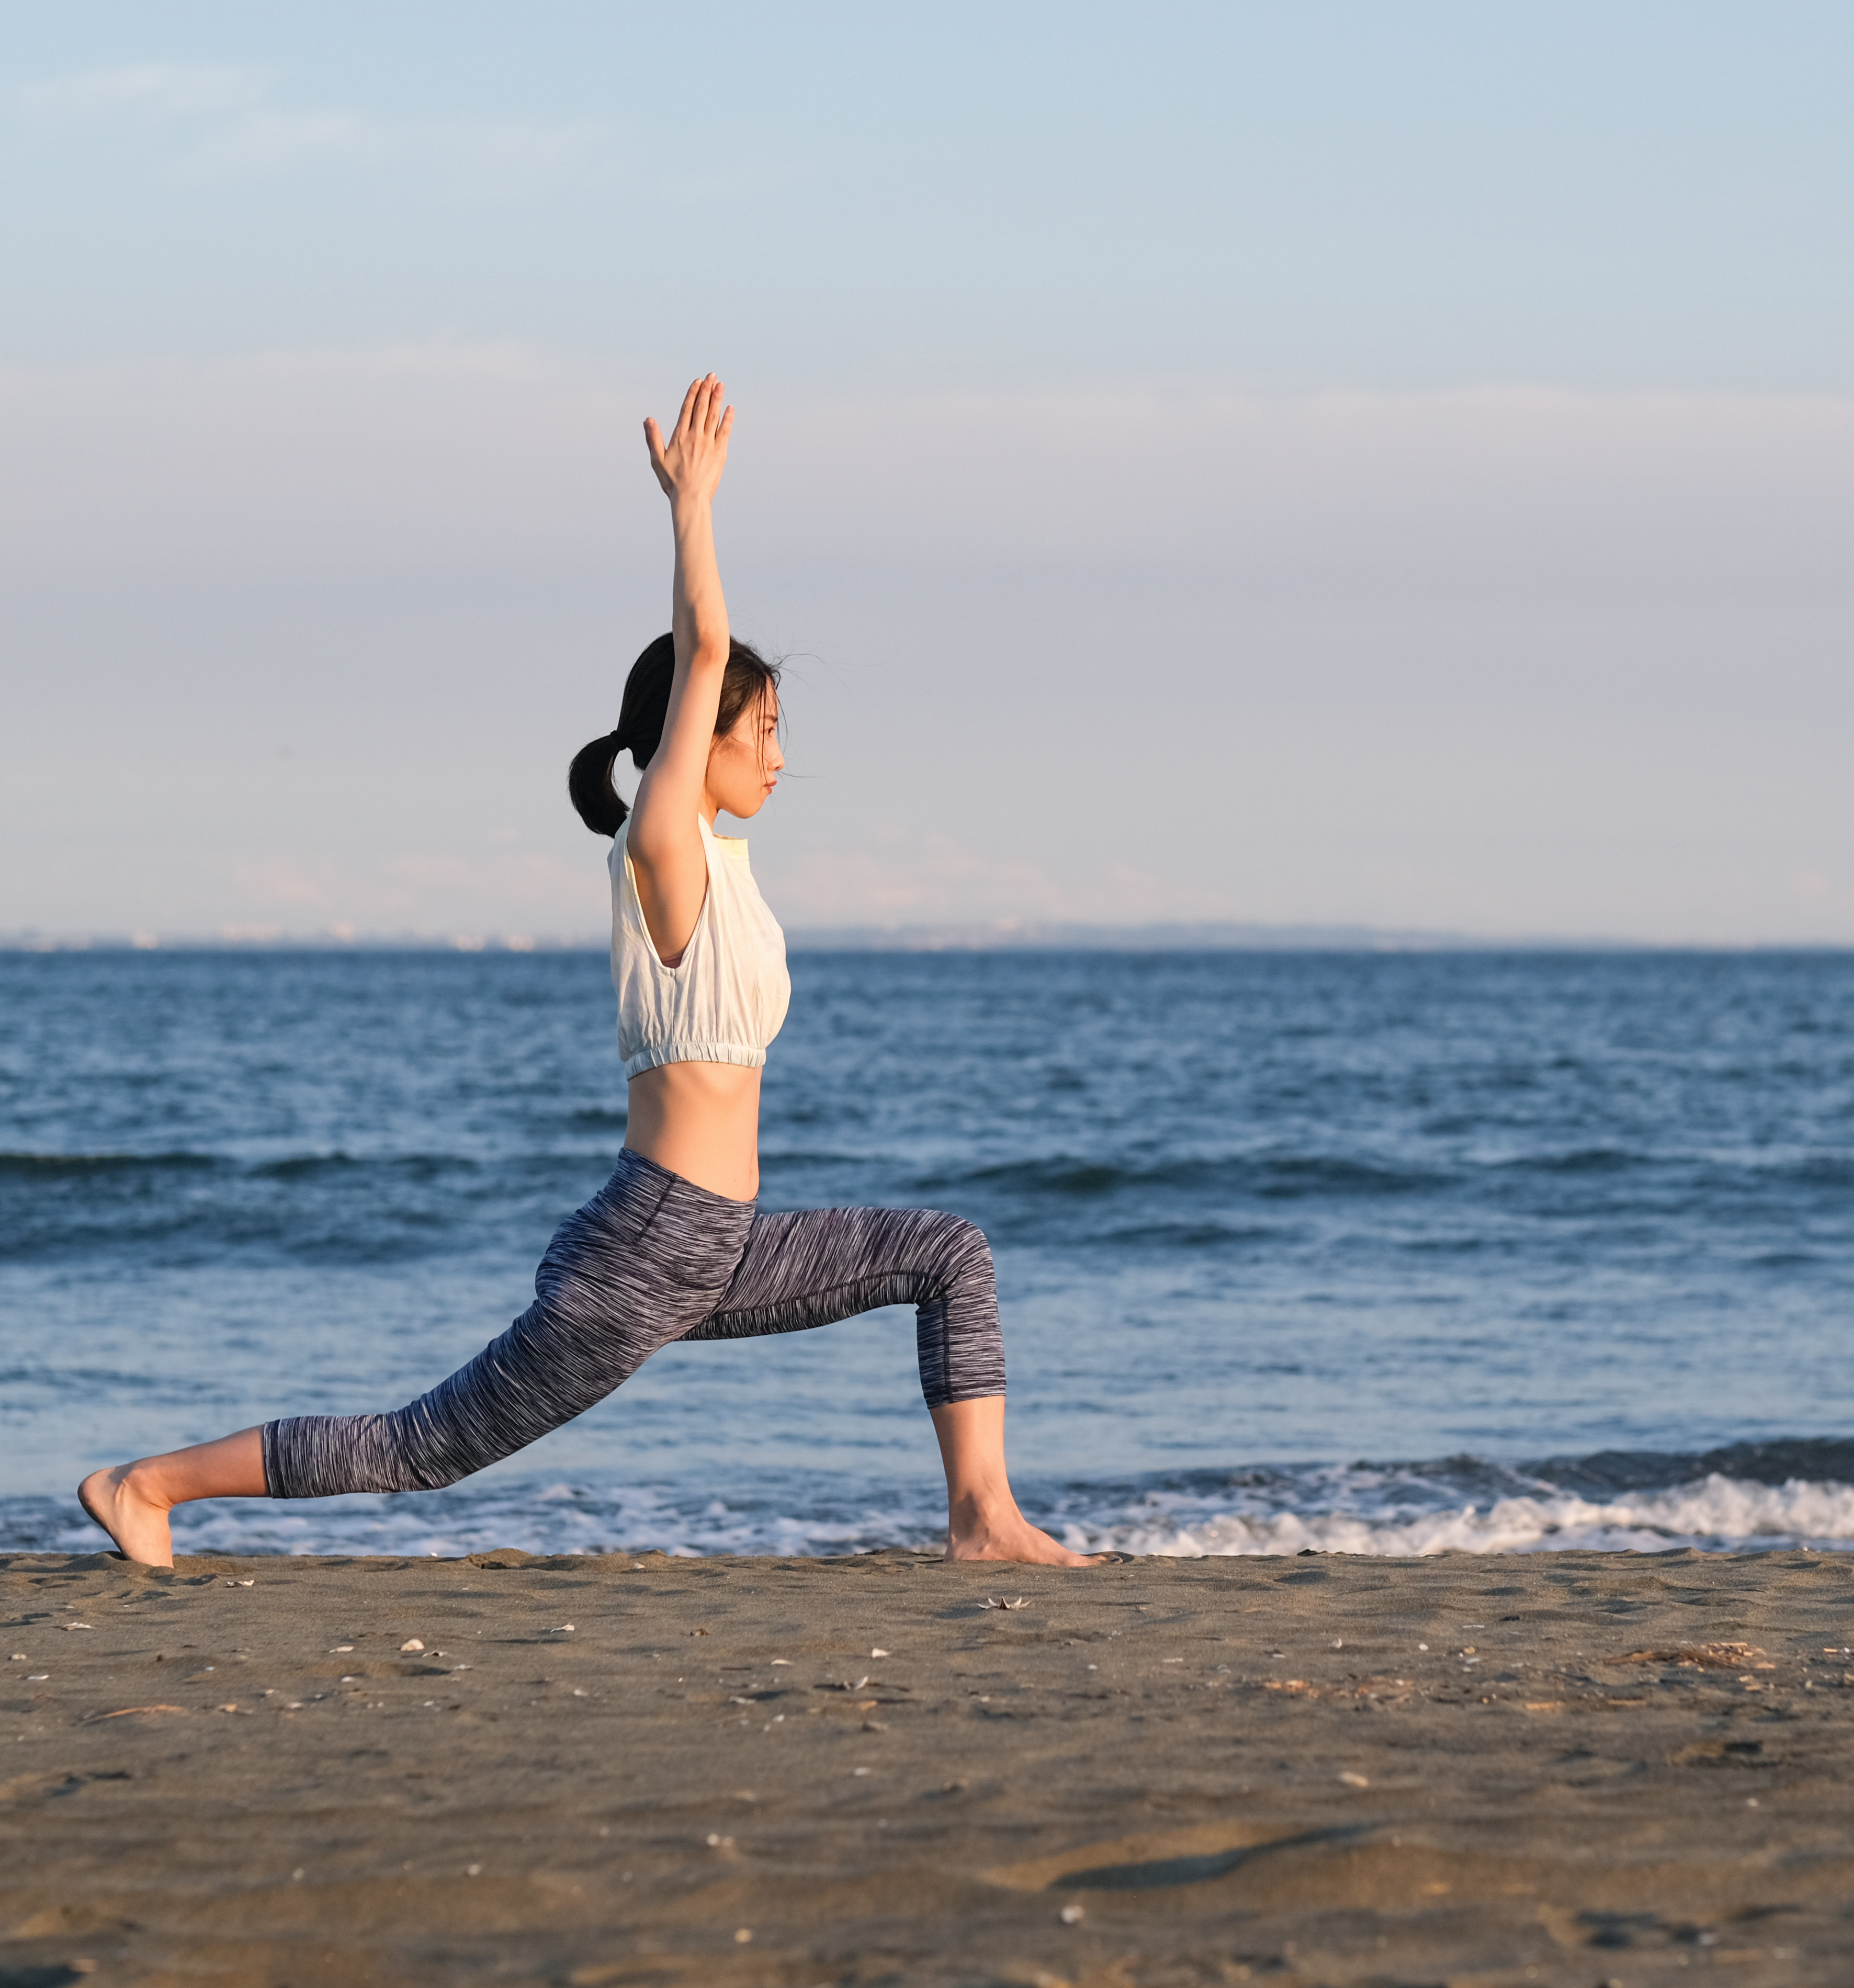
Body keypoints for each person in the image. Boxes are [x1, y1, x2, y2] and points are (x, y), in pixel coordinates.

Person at [77, 374, 1099, 1571]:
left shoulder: (729, 867)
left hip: (720, 1242)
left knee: (947, 1252)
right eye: (756, 727)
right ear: (690, 740)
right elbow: (704, 643)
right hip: (651, 1246)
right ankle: (145, 1485)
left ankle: (983, 1520)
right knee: (425, 1446)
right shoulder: (661, 849)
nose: (778, 753)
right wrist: (695, 509)